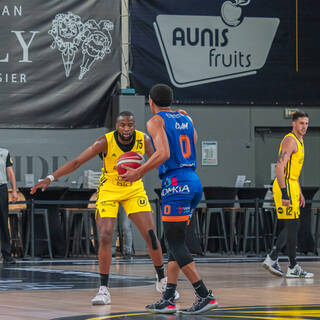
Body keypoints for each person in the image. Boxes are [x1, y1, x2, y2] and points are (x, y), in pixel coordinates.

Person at [31, 111, 178, 305]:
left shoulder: (144, 140)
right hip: (109, 189)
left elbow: (160, 160)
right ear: (116, 126)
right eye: (122, 125)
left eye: (130, 125)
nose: (127, 129)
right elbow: (77, 162)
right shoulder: (104, 142)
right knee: (106, 234)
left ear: (134, 126)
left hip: (134, 189)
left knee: (150, 234)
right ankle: (103, 289)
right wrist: (50, 178)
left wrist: (160, 176)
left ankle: (161, 279)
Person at [121, 84, 218, 314]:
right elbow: (192, 139)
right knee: (175, 241)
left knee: (175, 242)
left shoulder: (155, 121)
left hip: (176, 183)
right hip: (193, 180)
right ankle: (168, 298)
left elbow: (163, 153)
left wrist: (139, 172)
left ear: (151, 102)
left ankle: (204, 295)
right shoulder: (186, 117)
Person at [262, 110, 313, 278]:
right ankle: (281, 261)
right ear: (293, 123)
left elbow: (294, 172)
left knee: (294, 225)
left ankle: (285, 262)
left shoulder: (300, 140)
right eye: (301, 123)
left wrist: (299, 192)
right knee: (292, 225)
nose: (304, 126)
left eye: (306, 123)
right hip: (284, 186)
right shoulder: (290, 140)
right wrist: (285, 193)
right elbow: (279, 167)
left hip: (292, 185)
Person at [0, 147, 18, 264]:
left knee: (3, 221)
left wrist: (14, 190)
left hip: (1, 188)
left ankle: (7, 255)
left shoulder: (4, 152)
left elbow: (10, 172)